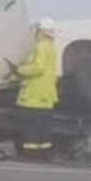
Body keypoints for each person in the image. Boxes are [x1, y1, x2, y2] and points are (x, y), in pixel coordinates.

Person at [7, 17, 59, 156]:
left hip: (34, 95)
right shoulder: (50, 47)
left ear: (42, 31)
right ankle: (42, 152)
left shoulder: (41, 46)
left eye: (37, 29)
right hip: (45, 96)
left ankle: (30, 153)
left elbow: (38, 67)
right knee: (43, 128)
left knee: (31, 127)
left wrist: (19, 70)